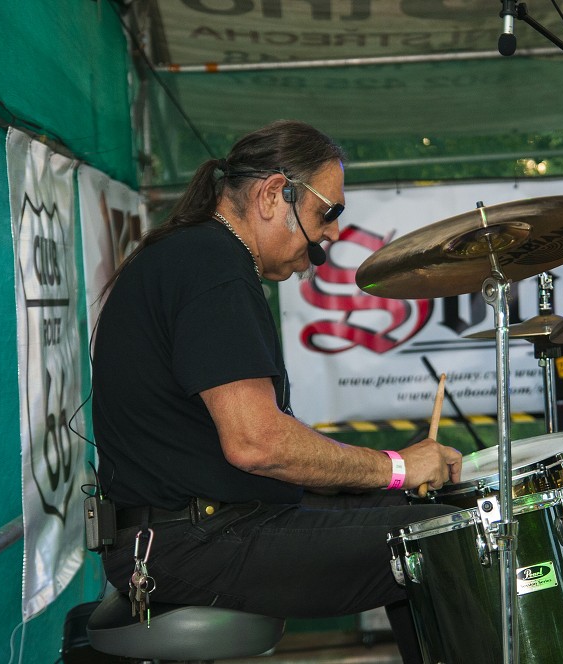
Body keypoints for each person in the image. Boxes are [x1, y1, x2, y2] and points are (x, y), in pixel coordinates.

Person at [91, 119, 463, 663]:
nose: (333, 232)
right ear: (273, 195)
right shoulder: (213, 265)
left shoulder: (197, 254)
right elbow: (256, 444)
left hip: (199, 524)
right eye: (327, 212)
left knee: (409, 511)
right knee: (444, 537)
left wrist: (382, 479)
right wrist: (397, 467)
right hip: (185, 544)